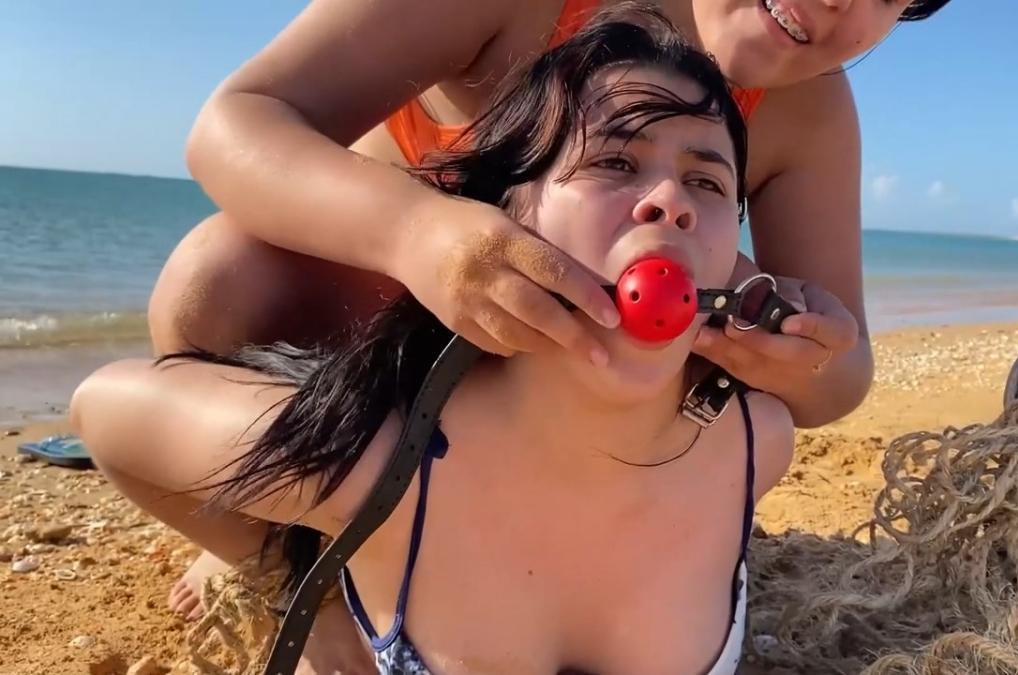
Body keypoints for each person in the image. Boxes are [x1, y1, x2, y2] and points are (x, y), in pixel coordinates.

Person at [151, 0, 952, 626]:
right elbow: (237, 121)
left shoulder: (807, 107)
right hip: (374, 346)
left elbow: (843, 372)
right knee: (214, 283)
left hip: (556, 411)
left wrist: (798, 350)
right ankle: (275, 548)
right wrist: (416, 231)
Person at [72, 7, 798, 673]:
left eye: (707, 182)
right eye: (615, 162)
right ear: (510, 212)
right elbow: (103, 408)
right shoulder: (376, 465)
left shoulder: (755, 444)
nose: (671, 201)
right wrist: (294, 583)